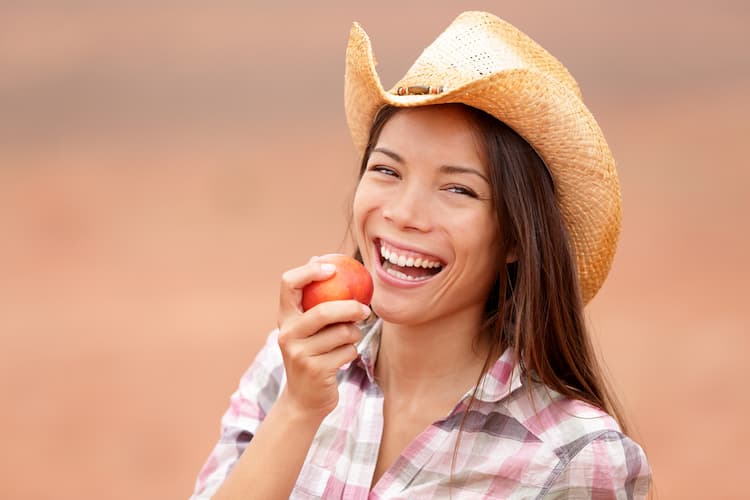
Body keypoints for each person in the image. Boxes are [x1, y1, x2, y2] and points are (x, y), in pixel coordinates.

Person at [190, 11, 651, 499]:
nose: (405, 213)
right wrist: (299, 408)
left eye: (458, 188)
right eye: (387, 171)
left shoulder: (571, 460)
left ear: (516, 238)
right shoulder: (292, 367)